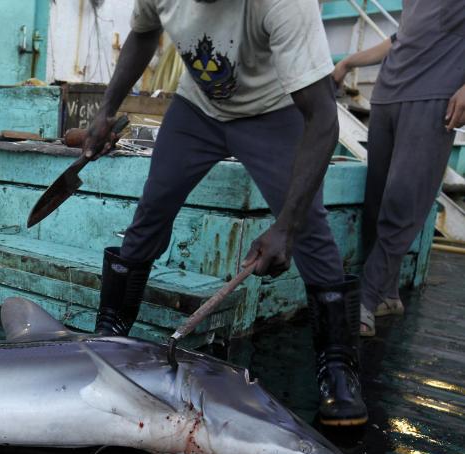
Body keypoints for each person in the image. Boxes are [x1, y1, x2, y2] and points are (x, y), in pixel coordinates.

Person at [83, 0, 367, 426]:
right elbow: (143, 34)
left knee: (308, 228)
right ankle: (110, 332)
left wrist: (285, 226)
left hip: (273, 112)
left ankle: (339, 369)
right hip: (196, 110)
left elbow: (324, 116)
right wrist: (107, 110)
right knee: (151, 212)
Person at [333, 1, 465, 337]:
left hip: (433, 99)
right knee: (376, 204)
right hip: (387, 95)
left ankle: (366, 300)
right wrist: (348, 62)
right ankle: (387, 295)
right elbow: (400, 39)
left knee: (403, 201)